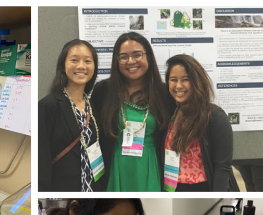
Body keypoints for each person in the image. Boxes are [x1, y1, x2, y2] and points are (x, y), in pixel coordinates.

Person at [91, 32, 173, 192]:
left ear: (148, 56)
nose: (130, 62)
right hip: (114, 165)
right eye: (123, 57)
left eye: (137, 55)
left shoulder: (164, 93)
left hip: (150, 165)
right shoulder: (103, 91)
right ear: (116, 61)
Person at [39, 39, 104, 192]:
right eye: (74, 60)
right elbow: (40, 161)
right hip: (62, 191)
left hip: (93, 189)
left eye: (87, 61)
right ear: (63, 65)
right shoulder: (48, 106)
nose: (81, 66)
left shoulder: (94, 105)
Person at [162, 54, 233, 192]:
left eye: (185, 79)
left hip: (202, 190)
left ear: (196, 81)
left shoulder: (214, 117)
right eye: (173, 80)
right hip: (172, 189)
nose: (178, 86)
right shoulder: (171, 114)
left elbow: (222, 168)